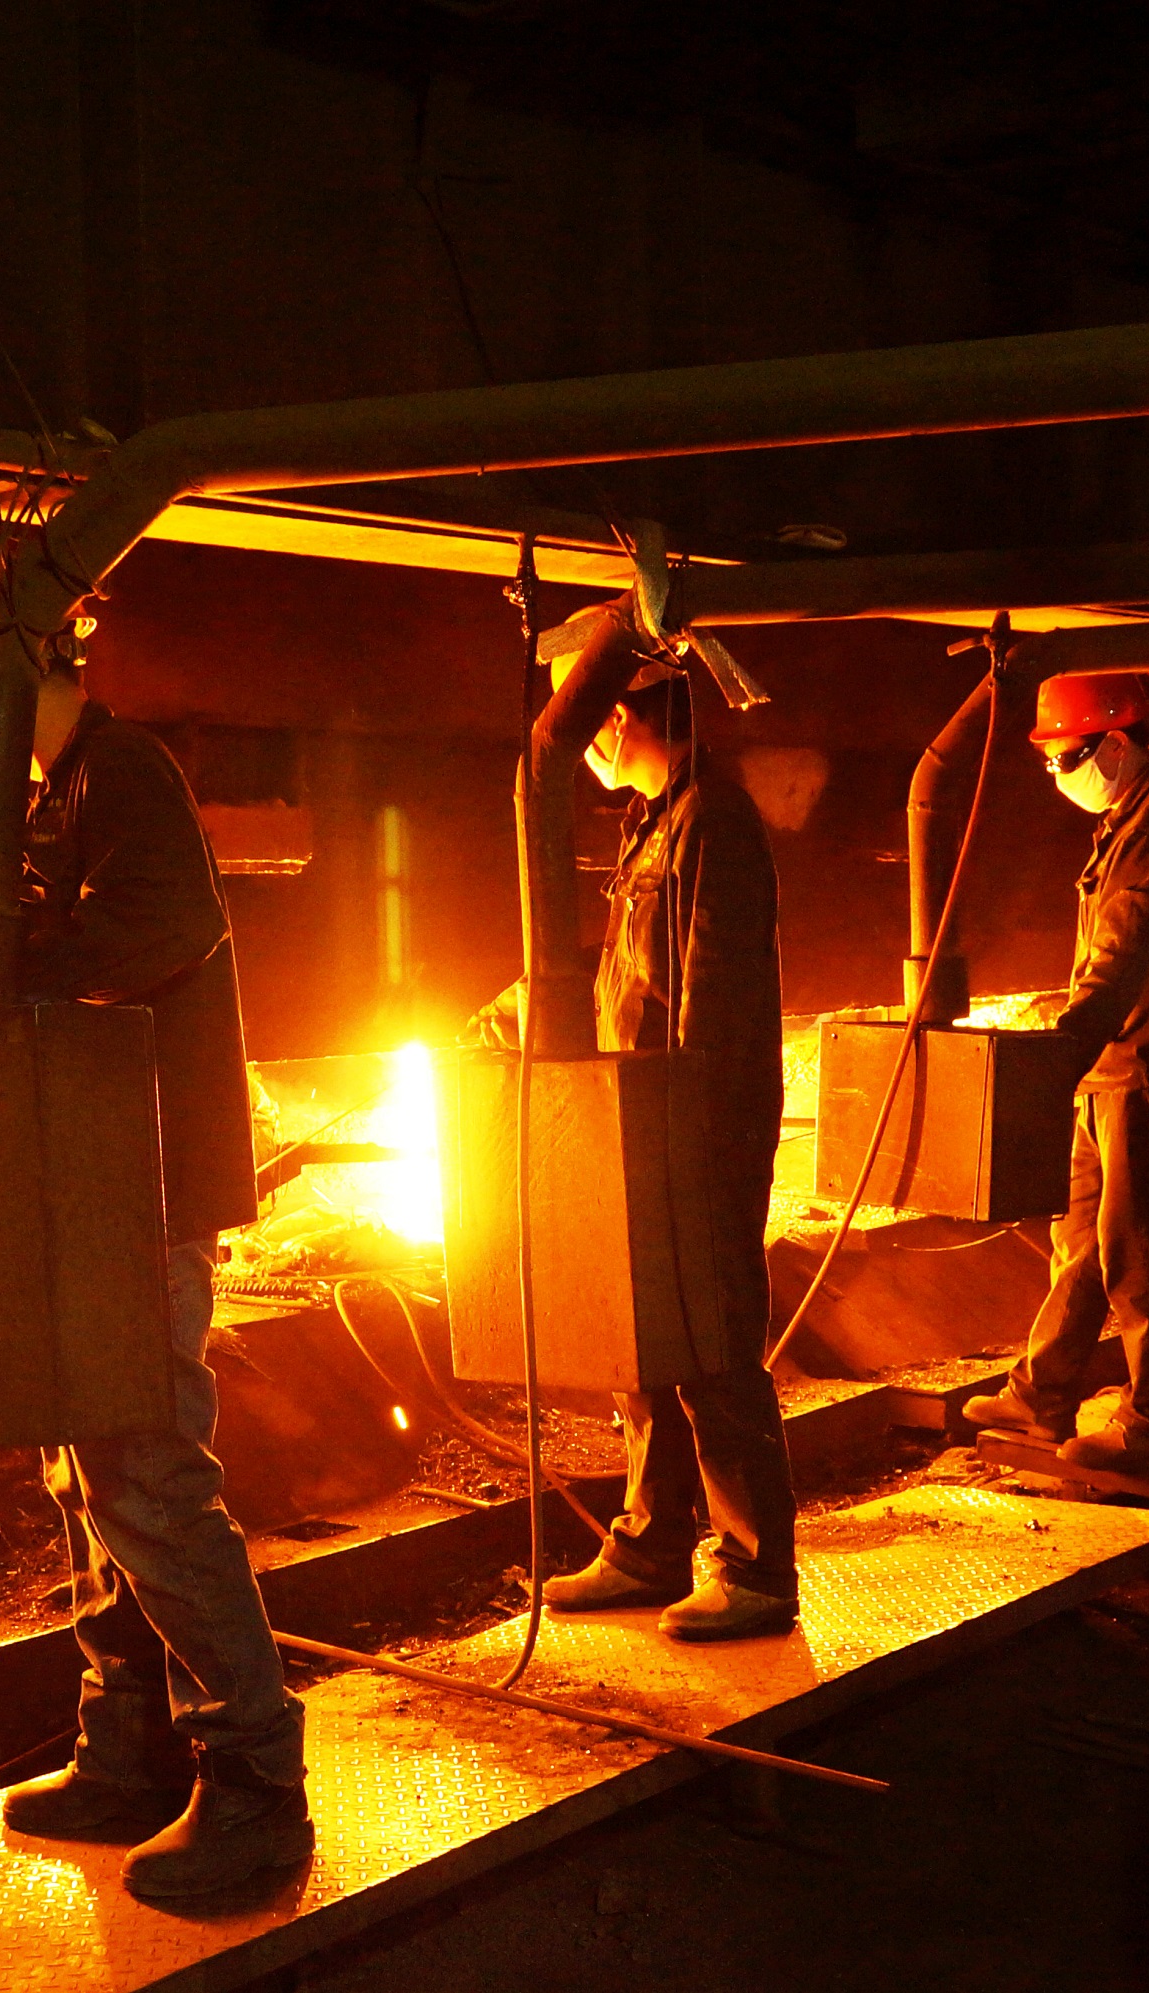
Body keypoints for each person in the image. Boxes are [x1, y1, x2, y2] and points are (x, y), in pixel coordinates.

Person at [0, 549, 308, 1899]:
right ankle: (130, 1747)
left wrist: (7, 967)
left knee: (145, 1473)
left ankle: (256, 1781)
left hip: (141, 1187)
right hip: (87, 1183)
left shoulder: (122, 774)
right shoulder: (56, 794)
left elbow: (155, 929)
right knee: (88, 1474)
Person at [470, 636, 797, 1642]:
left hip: (694, 1123)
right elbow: (633, 972)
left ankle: (756, 1570)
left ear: (616, 716)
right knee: (645, 1335)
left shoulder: (714, 821)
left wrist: (684, 1126)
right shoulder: (656, 823)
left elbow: (712, 997)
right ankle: (651, 1545)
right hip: (647, 1119)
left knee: (712, 1342)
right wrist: (534, 1005)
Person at [964, 671, 1149, 1474]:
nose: (1058, 774)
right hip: (1116, 1059)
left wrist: (1061, 1051)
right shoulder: (1131, 818)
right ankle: (1043, 1391)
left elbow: (1124, 948)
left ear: (1117, 743)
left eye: (1068, 757)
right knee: (1082, 1232)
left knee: (1138, 1244)